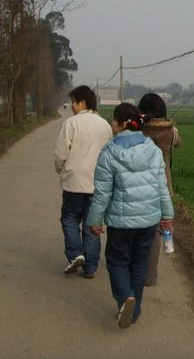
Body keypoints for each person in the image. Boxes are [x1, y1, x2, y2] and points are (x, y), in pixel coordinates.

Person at [87, 103, 174, 329]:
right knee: (139, 263)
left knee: (117, 260)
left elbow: (102, 194)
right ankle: (134, 311)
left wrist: (94, 220)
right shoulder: (153, 150)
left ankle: (125, 297)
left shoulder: (109, 152)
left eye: (113, 120)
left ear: (120, 123)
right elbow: (162, 187)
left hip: (121, 223)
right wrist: (167, 216)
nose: (111, 124)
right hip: (148, 221)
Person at [54, 85, 112, 277]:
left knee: (69, 218)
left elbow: (61, 153)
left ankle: (75, 254)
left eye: (73, 102)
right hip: (97, 184)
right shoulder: (104, 125)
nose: (71, 105)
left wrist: (60, 169)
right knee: (92, 223)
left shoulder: (71, 123)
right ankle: (90, 266)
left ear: (83, 102)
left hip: (74, 182)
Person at [138, 93, 182, 286]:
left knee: (135, 227)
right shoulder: (171, 131)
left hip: (139, 183)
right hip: (162, 184)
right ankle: (149, 276)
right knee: (155, 231)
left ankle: (134, 269)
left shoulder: (139, 129)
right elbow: (178, 144)